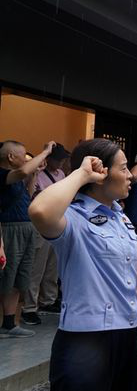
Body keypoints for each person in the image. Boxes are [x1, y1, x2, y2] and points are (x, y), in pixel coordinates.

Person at [28, 138, 137, 390]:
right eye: (124, 168)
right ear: (100, 174)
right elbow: (39, 211)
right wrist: (82, 174)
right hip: (86, 339)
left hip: (127, 331)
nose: (130, 176)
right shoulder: (74, 218)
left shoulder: (121, 217)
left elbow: (128, 276)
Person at [0, 140, 56, 338]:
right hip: (10, 230)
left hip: (26, 228)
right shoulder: (3, 174)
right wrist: (46, 152)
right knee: (7, 276)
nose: (25, 160)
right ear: (10, 157)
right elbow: (22, 172)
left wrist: (35, 173)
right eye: (23, 155)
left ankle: (9, 324)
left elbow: (29, 194)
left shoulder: (15, 179)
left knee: (18, 278)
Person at [22, 143, 70, 325]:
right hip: (40, 224)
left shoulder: (62, 175)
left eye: (62, 159)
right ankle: (29, 307)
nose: (60, 163)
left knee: (53, 266)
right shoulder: (37, 174)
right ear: (48, 159)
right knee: (36, 267)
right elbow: (32, 197)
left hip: (58, 223)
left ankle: (48, 301)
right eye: (57, 159)